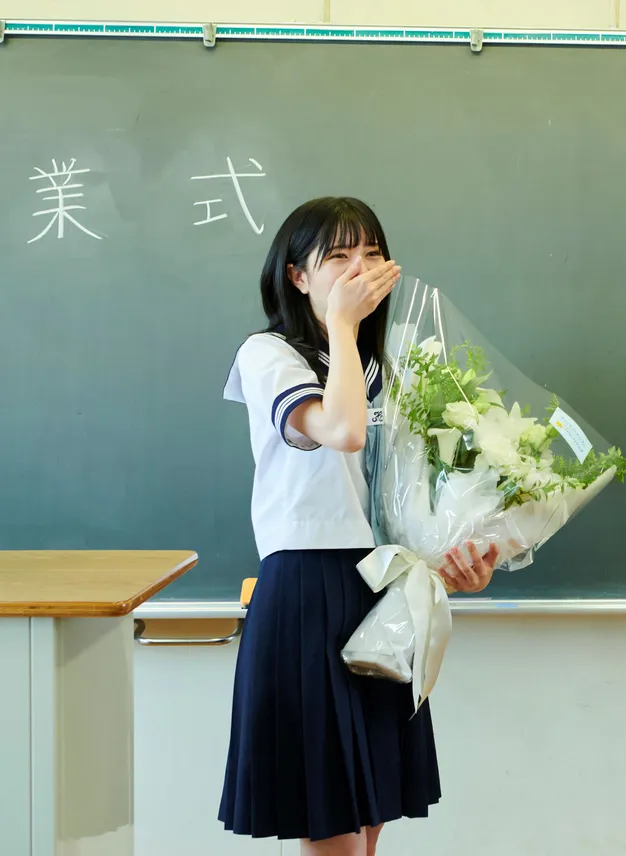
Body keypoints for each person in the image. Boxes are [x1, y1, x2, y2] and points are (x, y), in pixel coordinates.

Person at [219, 196, 500, 856]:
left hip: (381, 588)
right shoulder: (270, 356)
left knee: (368, 824)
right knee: (334, 828)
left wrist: (454, 564)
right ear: (298, 276)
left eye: (371, 254)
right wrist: (342, 329)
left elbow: (407, 507)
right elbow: (341, 431)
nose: (359, 270)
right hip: (308, 590)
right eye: (338, 257)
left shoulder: (391, 373)